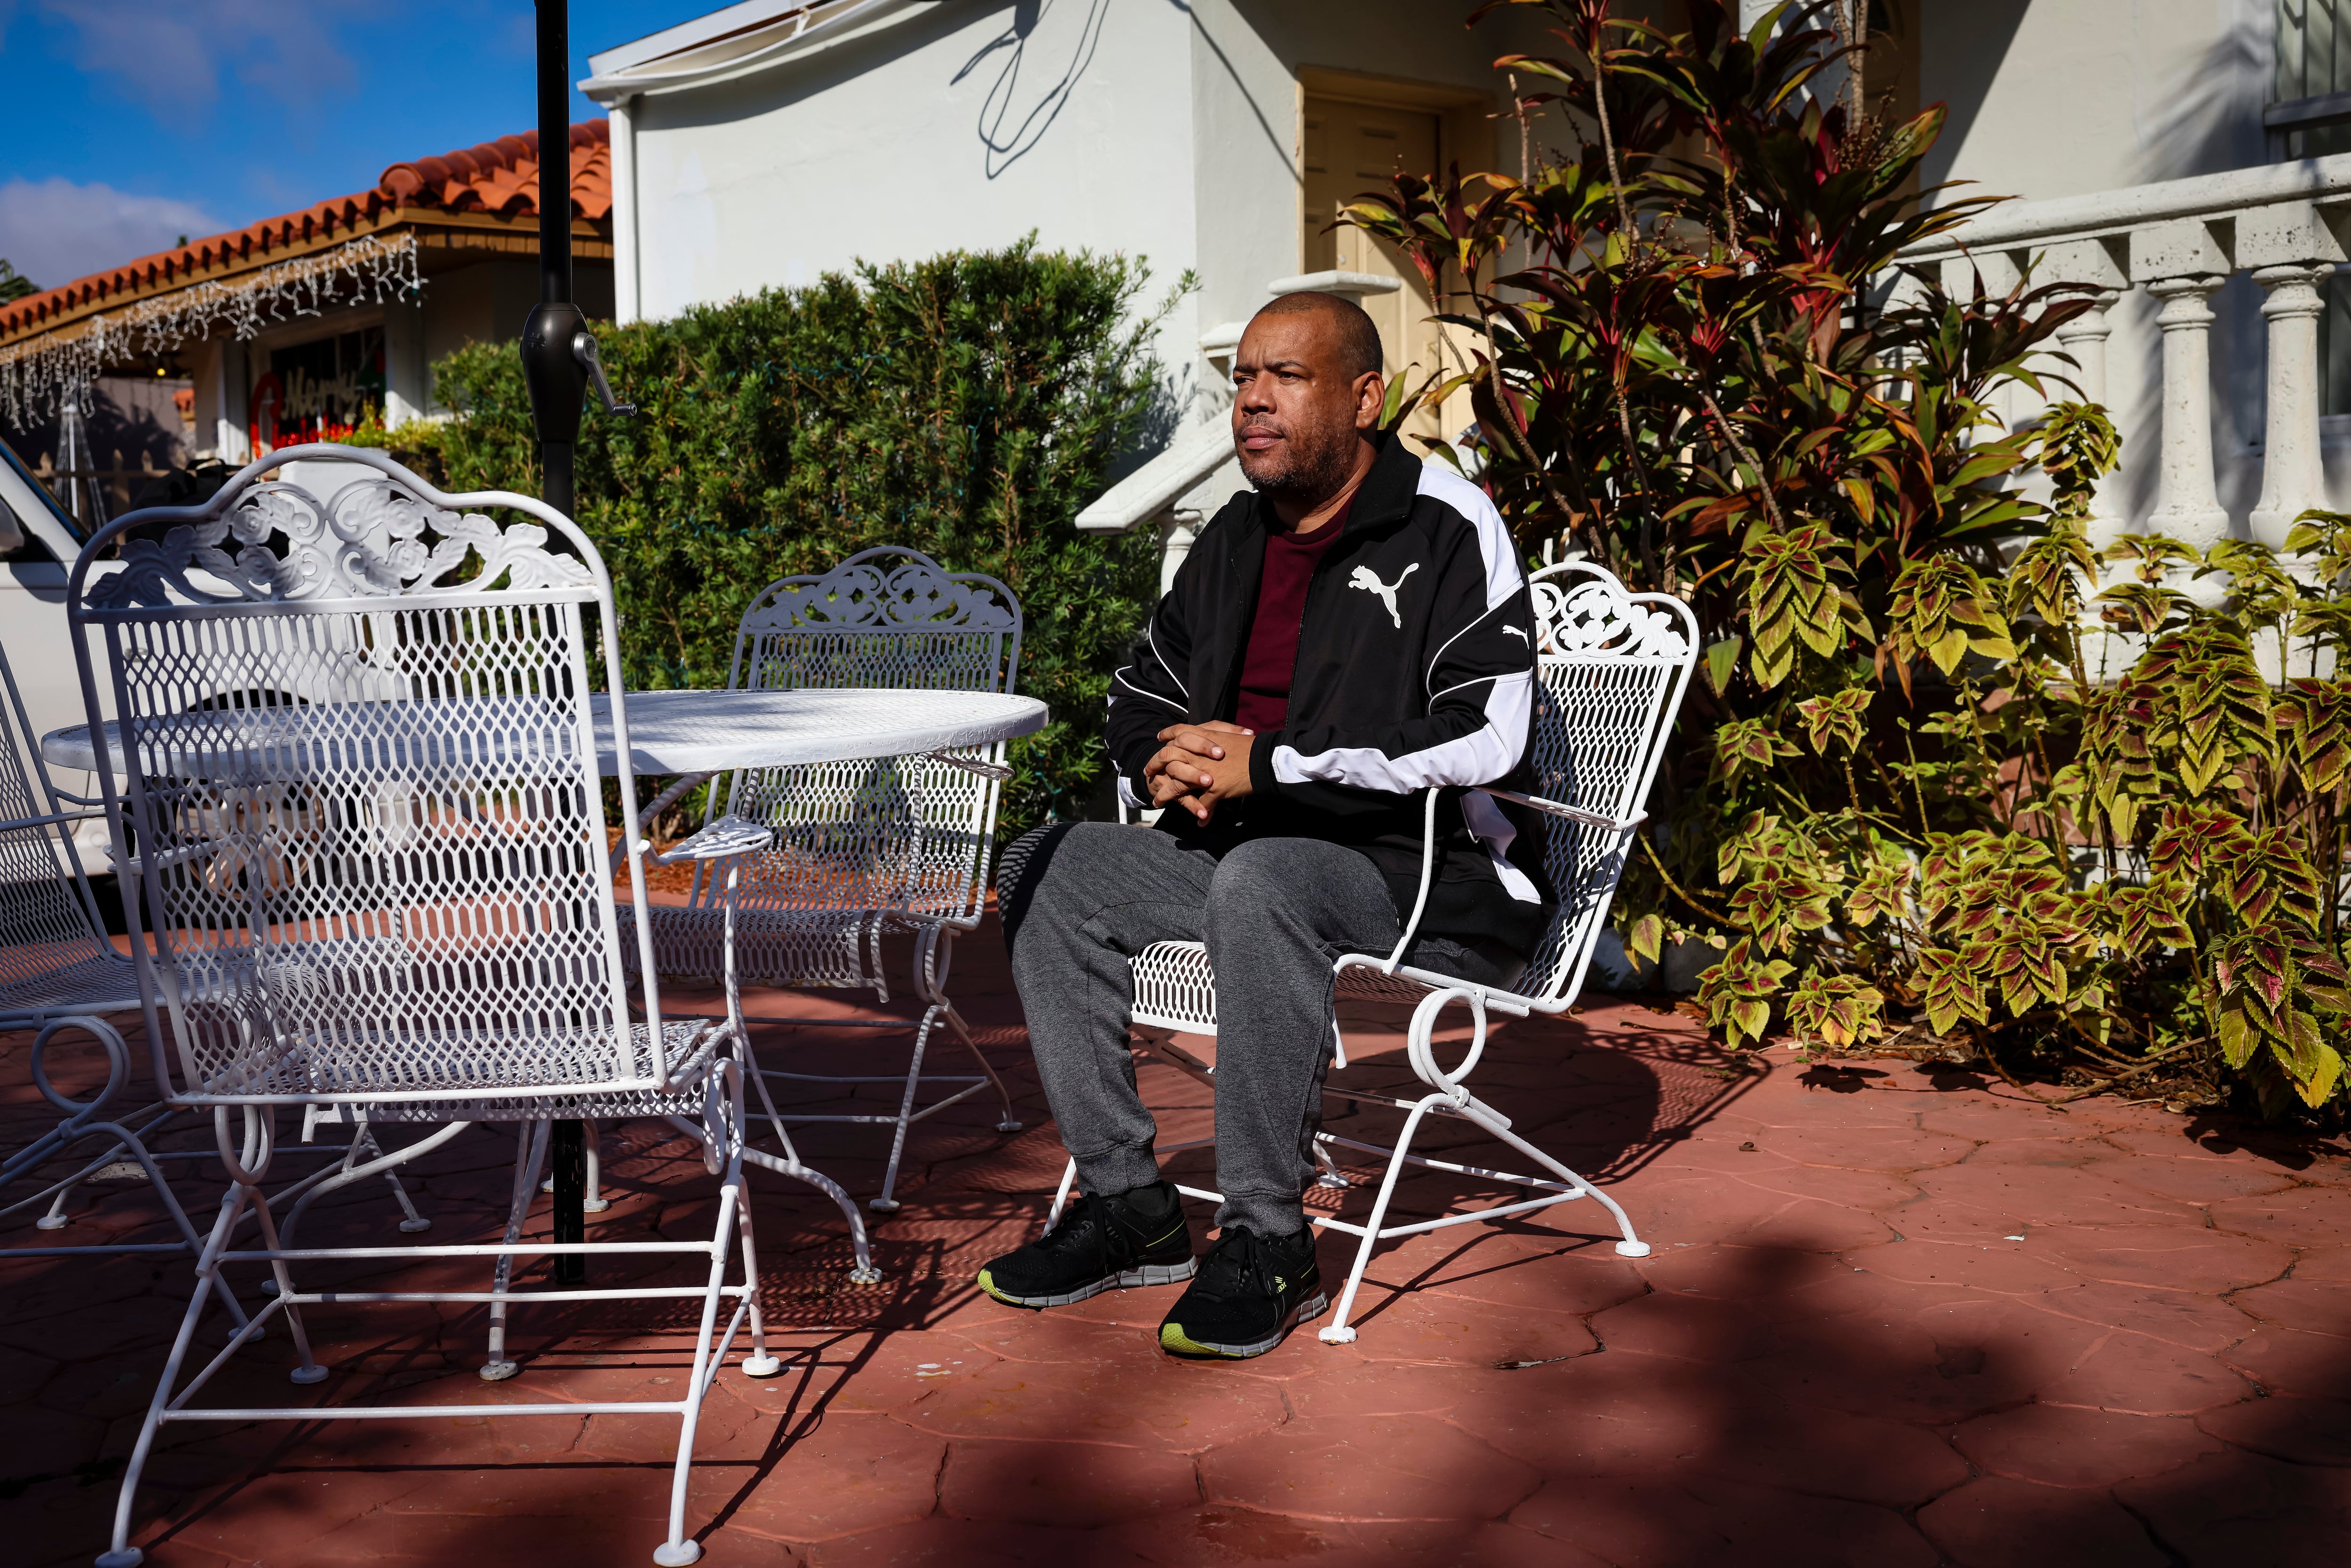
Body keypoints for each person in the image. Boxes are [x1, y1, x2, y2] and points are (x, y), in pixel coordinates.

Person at [979, 290, 1549, 1359]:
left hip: (1414, 870)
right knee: (1046, 862)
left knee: (1267, 879)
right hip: (1238, 854)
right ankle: (1127, 1208)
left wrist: (1270, 766)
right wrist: (1168, 761)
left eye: (1283, 377)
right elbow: (1138, 688)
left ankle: (1269, 1238)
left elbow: (1488, 734)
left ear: (1364, 397)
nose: (1252, 400)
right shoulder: (1235, 536)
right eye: (1243, 378)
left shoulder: (1447, 521)